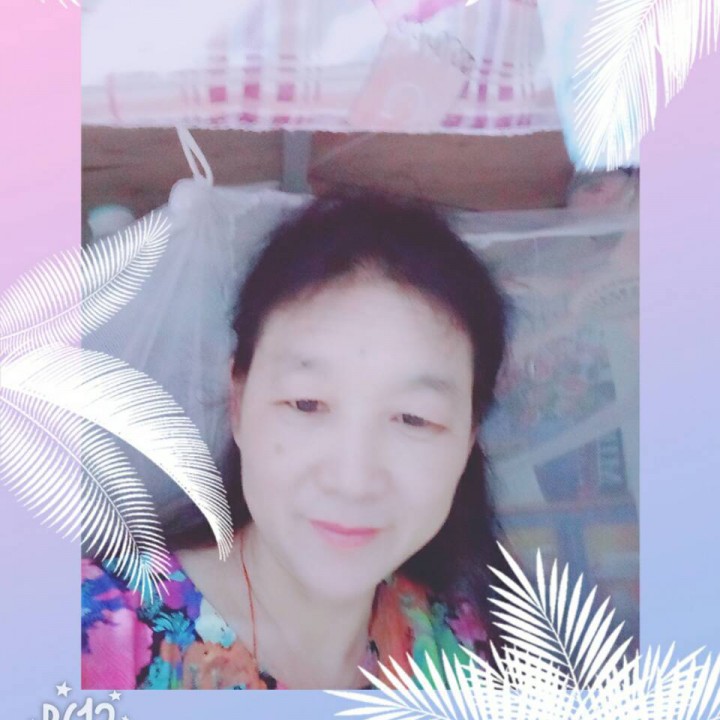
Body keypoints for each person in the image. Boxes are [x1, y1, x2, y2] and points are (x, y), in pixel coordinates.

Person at [81, 192, 510, 690]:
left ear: (468, 438)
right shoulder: (89, 635)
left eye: (413, 418)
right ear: (238, 403)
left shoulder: (465, 650)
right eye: (307, 404)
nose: (352, 481)